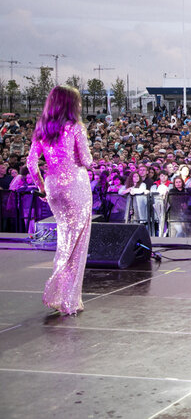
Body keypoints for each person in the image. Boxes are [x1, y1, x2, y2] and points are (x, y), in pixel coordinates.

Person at [26, 86, 93, 316]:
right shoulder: (76, 127)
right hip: (76, 185)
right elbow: (86, 159)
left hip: (53, 186)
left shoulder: (41, 128)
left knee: (65, 239)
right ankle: (69, 300)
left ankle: (58, 295)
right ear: (70, 104)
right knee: (78, 243)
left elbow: (31, 164)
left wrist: (42, 187)